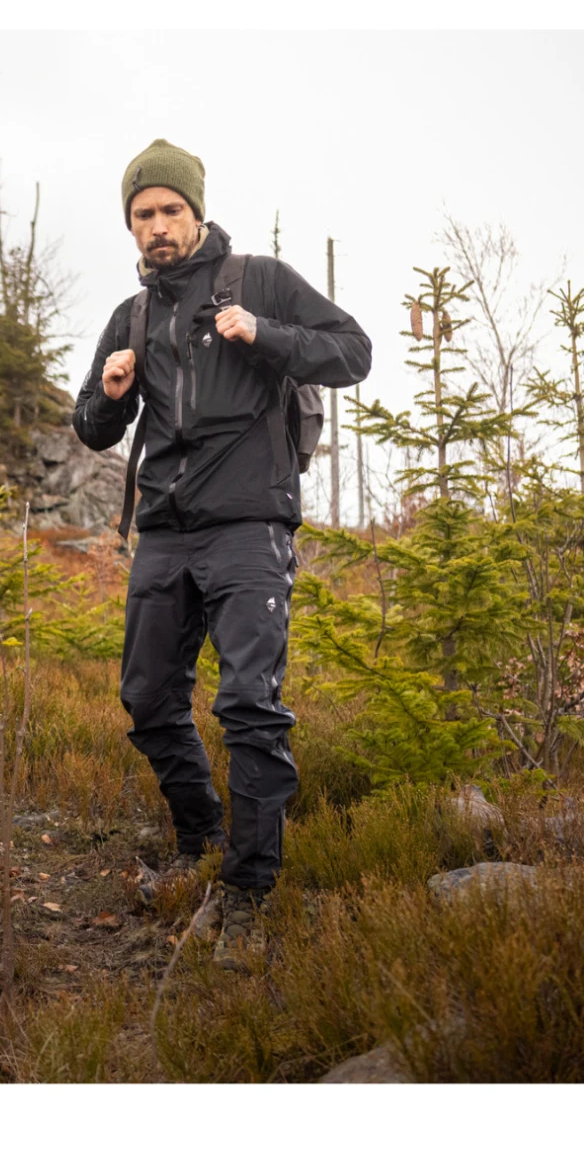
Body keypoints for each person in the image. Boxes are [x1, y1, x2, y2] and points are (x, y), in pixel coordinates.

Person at [72, 138, 372, 967]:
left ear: (196, 212)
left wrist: (265, 334)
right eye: (143, 214)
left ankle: (248, 890)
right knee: (147, 699)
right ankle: (201, 838)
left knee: (248, 705)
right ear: (130, 226)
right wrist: (111, 395)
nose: (158, 226)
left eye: (170, 210)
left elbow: (354, 351)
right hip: (165, 532)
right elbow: (90, 427)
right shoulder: (131, 318)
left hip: (249, 526)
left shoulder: (259, 281)